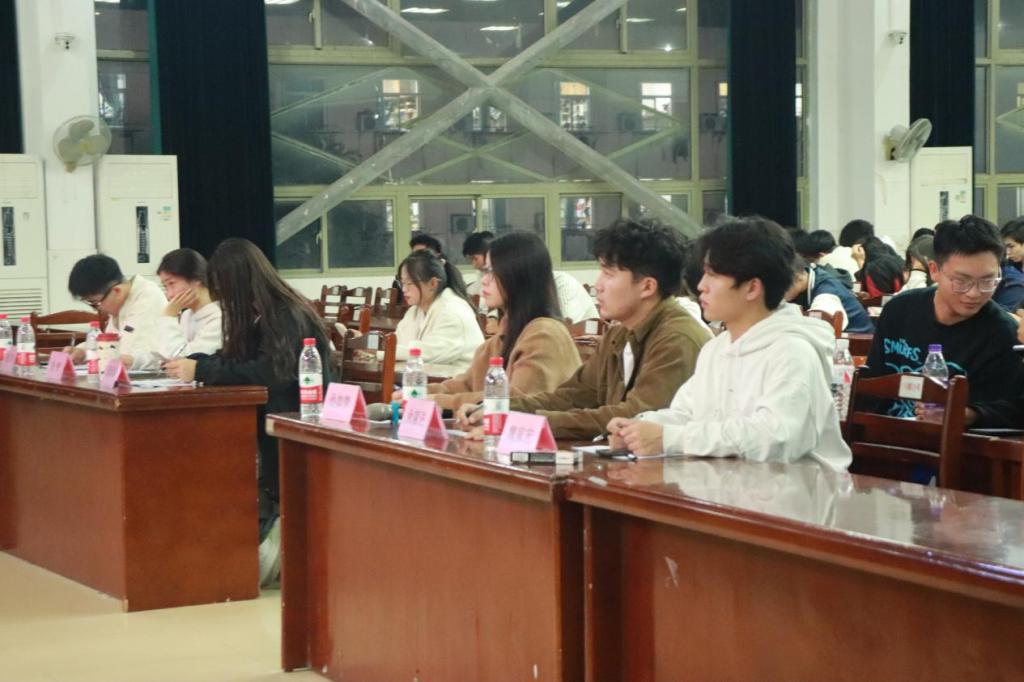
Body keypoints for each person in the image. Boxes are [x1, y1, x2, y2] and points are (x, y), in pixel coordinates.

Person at [607, 216, 851, 470]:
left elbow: (775, 439)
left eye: (713, 275)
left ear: (752, 288)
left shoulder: (792, 351)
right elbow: (688, 413)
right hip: (730, 482)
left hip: (799, 487)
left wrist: (671, 438)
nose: (701, 286)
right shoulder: (717, 348)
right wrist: (640, 427)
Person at [163, 238, 332, 584]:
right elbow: (238, 359)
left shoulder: (287, 314)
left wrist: (203, 370)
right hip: (269, 416)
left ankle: (274, 545)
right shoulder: (258, 314)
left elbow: (272, 373)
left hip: (297, 418)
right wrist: (201, 363)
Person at [461, 218, 709, 439]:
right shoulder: (620, 333)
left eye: (608, 274)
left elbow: (634, 415)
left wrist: (523, 422)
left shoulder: (677, 339)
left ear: (647, 287)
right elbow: (573, 396)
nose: (598, 285)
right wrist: (498, 408)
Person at [864, 216, 1024, 427]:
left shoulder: (1004, 334)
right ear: (934, 270)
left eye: (988, 281)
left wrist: (968, 415)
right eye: (961, 281)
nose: (974, 293)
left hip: (960, 443)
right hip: (885, 437)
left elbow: (1014, 411)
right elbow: (870, 384)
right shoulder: (898, 311)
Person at [413, 232, 581, 411]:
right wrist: (419, 392)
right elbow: (466, 384)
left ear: (519, 276)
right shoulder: (505, 333)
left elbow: (515, 401)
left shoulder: (544, 334)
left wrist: (437, 400)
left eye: (491, 272)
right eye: (484, 271)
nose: (484, 281)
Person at [127, 249, 222, 371]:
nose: (169, 295)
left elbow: (183, 359)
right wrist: (131, 361)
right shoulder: (187, 315)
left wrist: (168, 317)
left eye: (172, 284)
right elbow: (164, 356)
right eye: (165, 287)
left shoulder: (219, 317)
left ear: (196, 279)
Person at [65, 254, 166, 363]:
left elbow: (125, 352)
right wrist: (83, 352)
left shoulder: (147, 297)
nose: (96, 309)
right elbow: (111, 344)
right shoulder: (121, 301)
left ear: (116, 291)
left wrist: (91, 353)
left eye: (95, 303)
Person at [394, 249, 484, 368]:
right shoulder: (414, 311)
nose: (404, 289)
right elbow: (397, 342)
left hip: (461, 377)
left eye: (409, 283)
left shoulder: (452, 310)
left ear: (433, 283)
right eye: (402, 283)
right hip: (428, 375)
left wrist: (383, 353)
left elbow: (431, 354)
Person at [786, 259, 874, 333]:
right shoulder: (810, 276)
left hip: (858, 343)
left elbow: (817, 332)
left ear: (798, 278)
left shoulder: (826, 294)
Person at [462, 230, 494, 297]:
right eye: (471, 260)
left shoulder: (502, 272)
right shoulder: (481, 272)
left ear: (488, 253)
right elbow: (476, 290)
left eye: (475, 259)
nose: (474, 265)